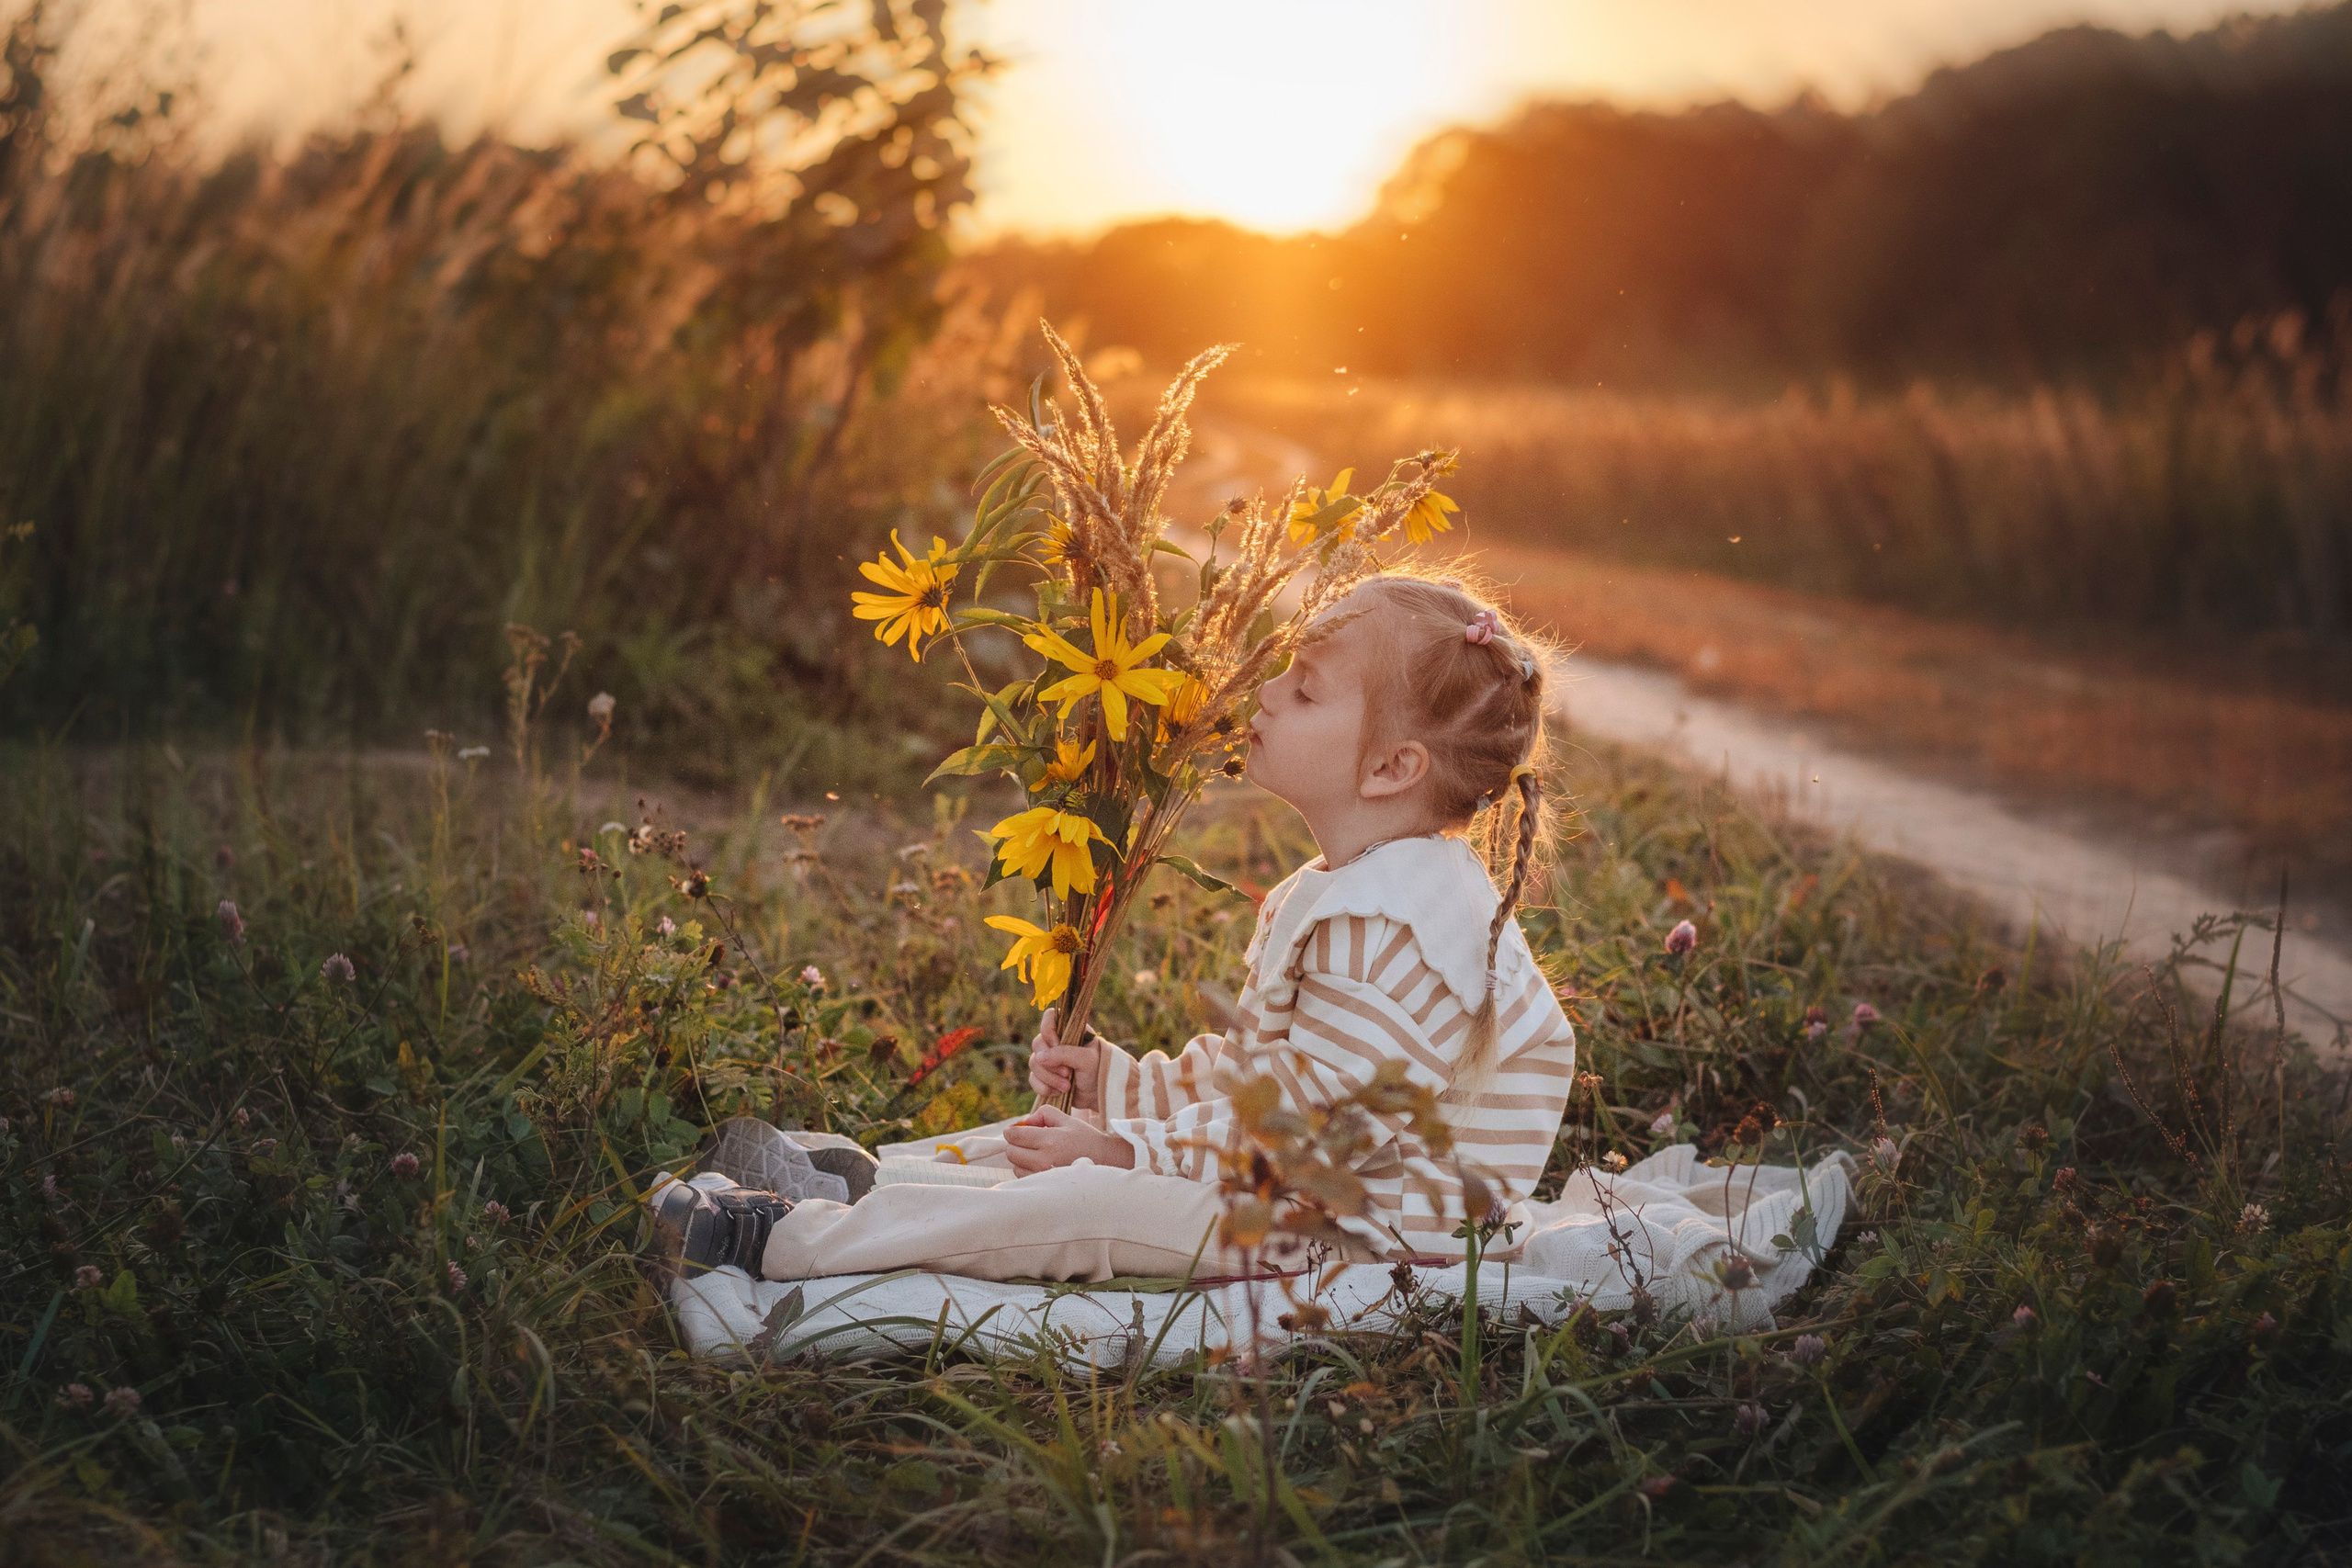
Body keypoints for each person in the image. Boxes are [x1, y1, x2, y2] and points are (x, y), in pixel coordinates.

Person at [651, 576, 1578, 1284]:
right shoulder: (1365, 888)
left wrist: (1131, 1152)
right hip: (1297, 1181)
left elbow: (1314, 1135)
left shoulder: (1397, 933)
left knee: (1086, 1199)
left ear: (1389, 766)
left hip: (1353, 1237)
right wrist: (1120, 1090)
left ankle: (780, 1238)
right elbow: (1273, 1080)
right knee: (1051, 1132)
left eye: (1303, 692)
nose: (1264, 695)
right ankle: (860, 1176)